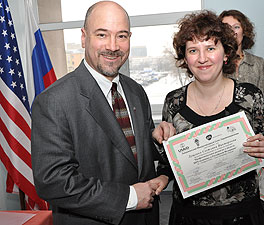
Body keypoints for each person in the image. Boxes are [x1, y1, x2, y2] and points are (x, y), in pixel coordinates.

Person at [31, 1, 174, 225]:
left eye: (122, 36)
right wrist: (130, 197)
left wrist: (155, 139)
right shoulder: (53, 101)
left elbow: (130, 151)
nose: (113, 46)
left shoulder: (135, 90)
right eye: (102, 34)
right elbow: (54, 182)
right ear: (83, 37)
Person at [156, 10, 264, 225]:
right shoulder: (174, 101)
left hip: (242, 215)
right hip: (189, 216)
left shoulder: (250, 97)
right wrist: (159, 143)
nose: (202, 58)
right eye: (193, 50)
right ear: (185, 59)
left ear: (226, 54)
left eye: (211, 48)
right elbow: (169, 163)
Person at [219, 9, 264, 96]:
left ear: (244, 31)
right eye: (227, 27)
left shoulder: (257, 63)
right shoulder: (215, 62)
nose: (232, 32)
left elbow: (261, 100)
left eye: (236, 27)